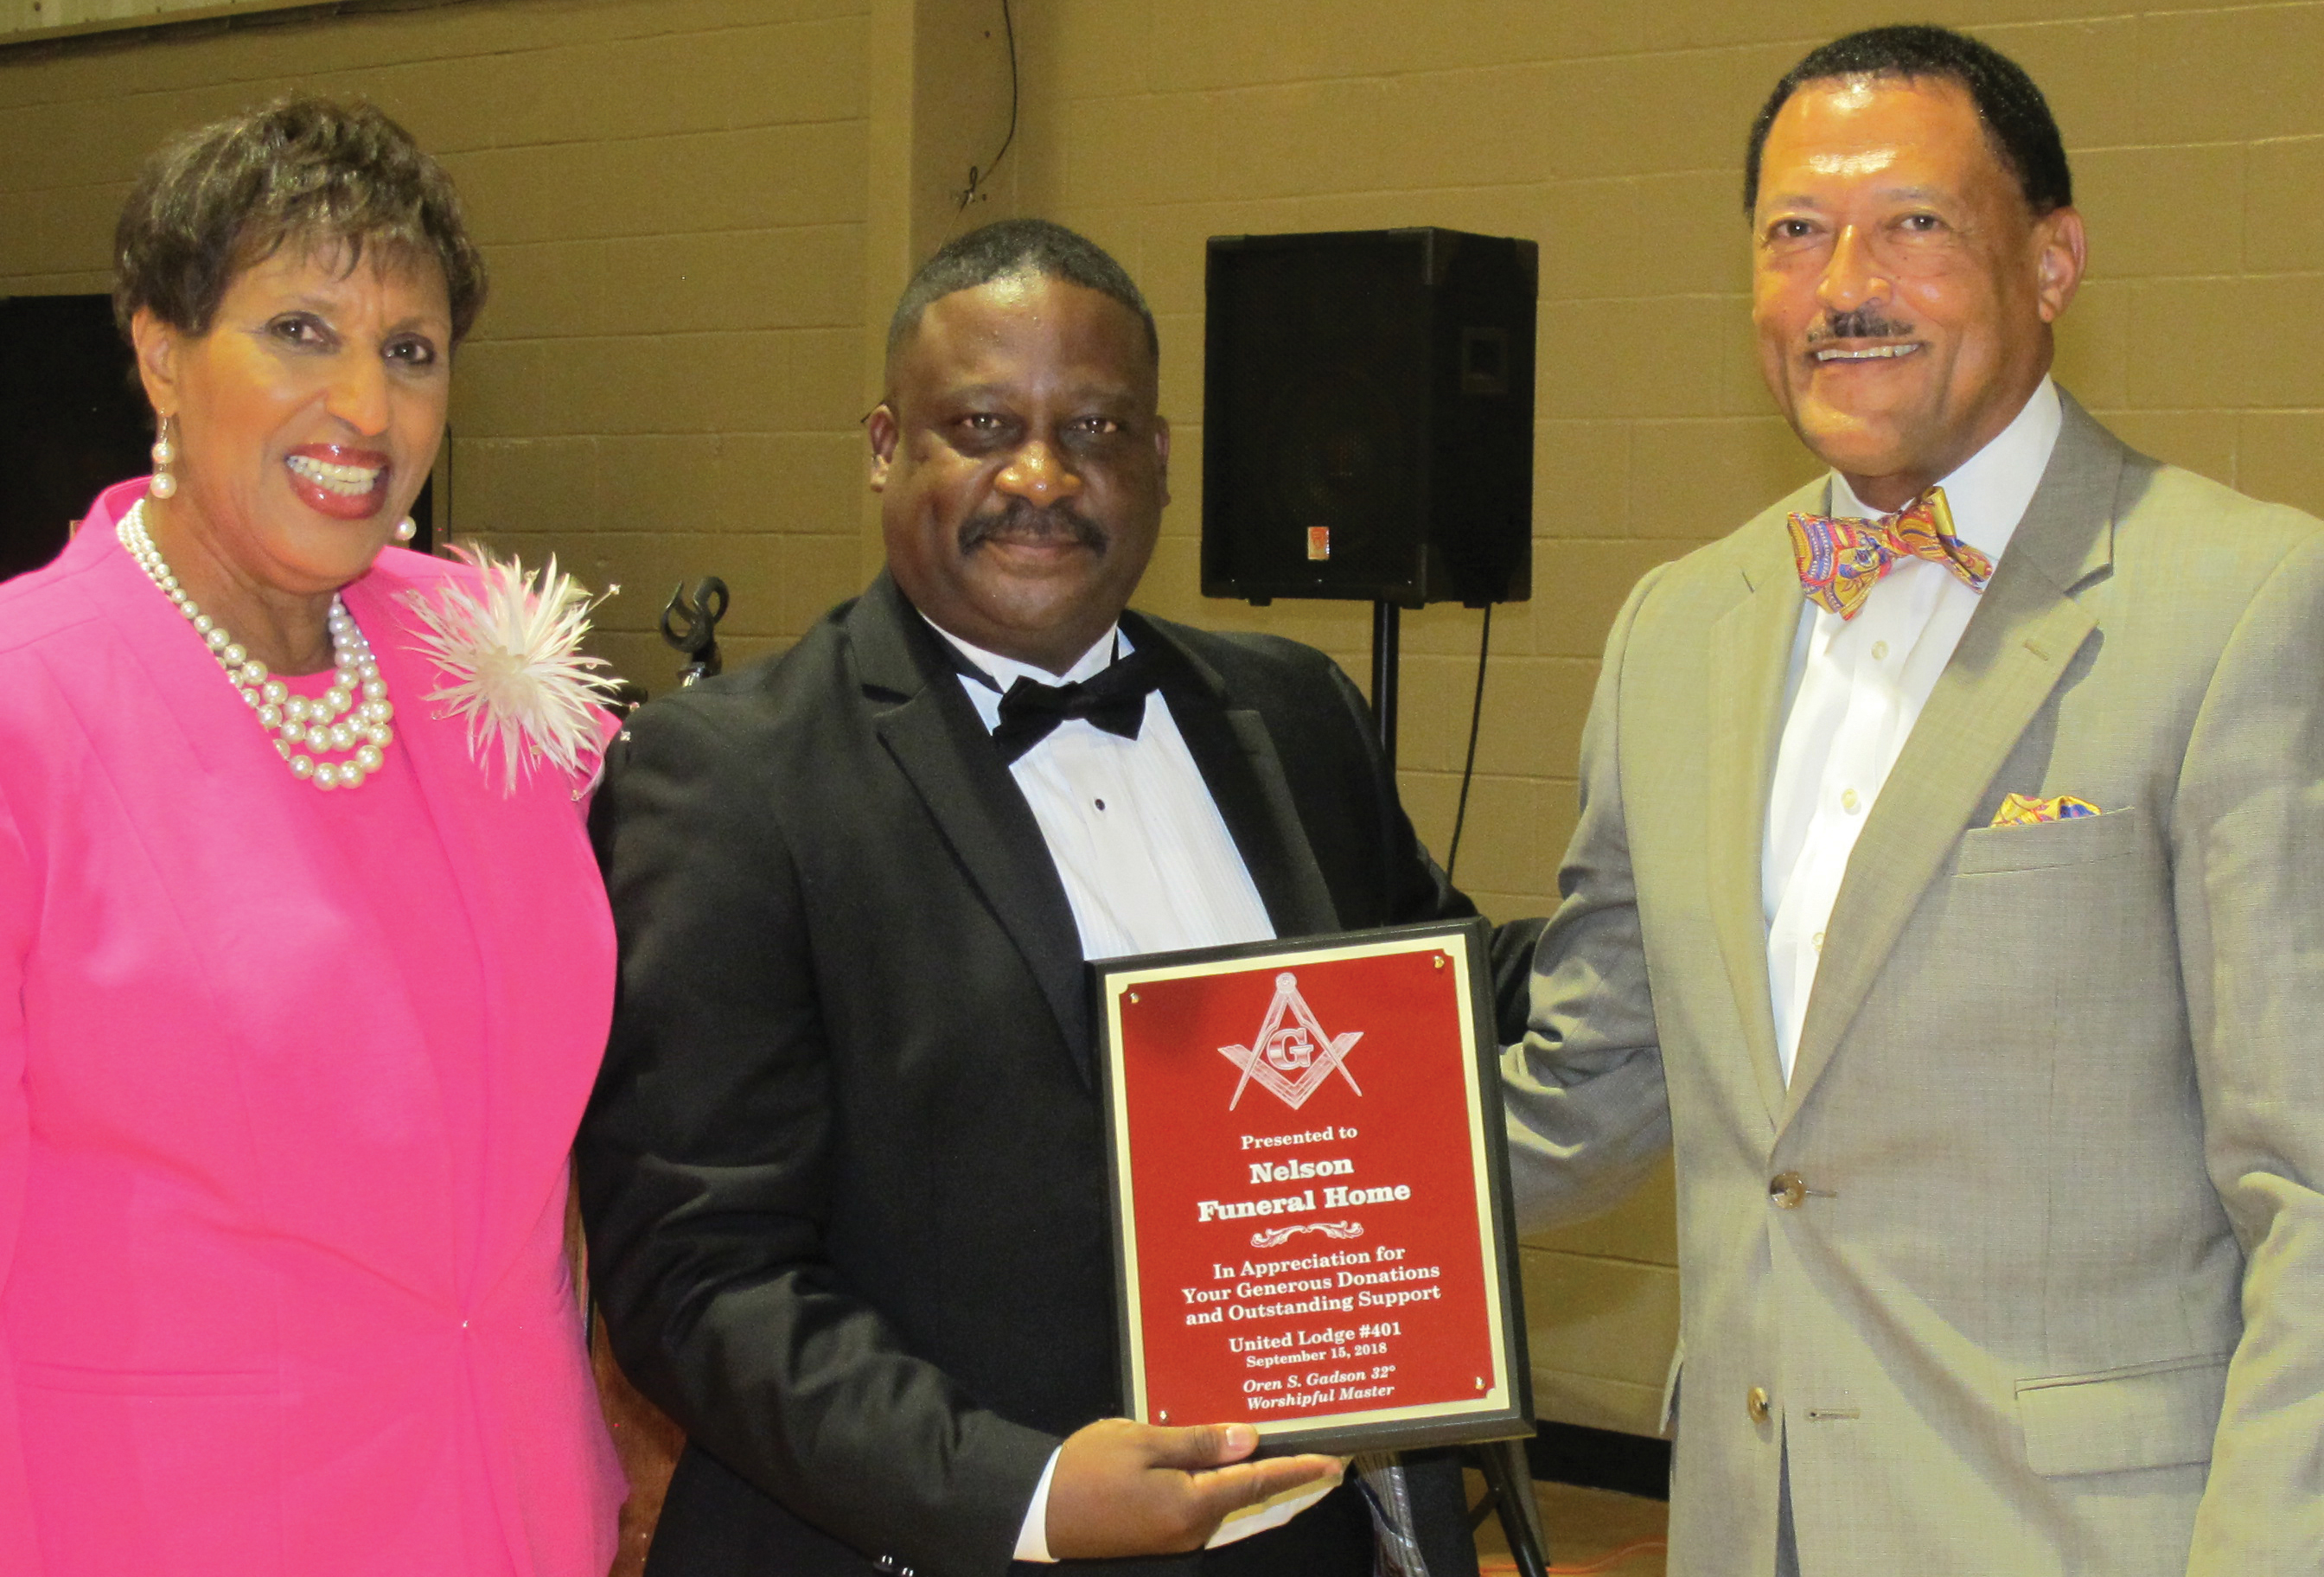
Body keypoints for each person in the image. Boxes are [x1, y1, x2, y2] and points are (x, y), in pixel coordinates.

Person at [579, 218, 1538, 1577]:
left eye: (1095, 427)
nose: (1041, 476)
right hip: (944, 1543)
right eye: (983, 425)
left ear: (1160, 459)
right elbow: (700, 1275)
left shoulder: (1294, 712)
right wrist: (1022, 1495)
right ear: (884, 447)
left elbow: (1450, 1000)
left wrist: (1707, 928)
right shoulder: (729, 782)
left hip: (1309, 1540)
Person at [1503, 22, 2324, 1576]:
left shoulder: (2246, 605)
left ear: (2053, 262)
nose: (1843, 286)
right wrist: (1240, 1195)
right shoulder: (1677, 629)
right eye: (1794, 233)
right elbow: (1597, 1081)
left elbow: (2312, 1187)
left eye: (1914, 225)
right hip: (1746, 1530)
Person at [0, 99, 624, 1574]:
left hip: (512, 1504)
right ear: (162, 352)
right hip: (170, 1522)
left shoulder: (483, 661)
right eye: (299, 331)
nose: (365, 408)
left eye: (411, 351)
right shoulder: (27, 706)